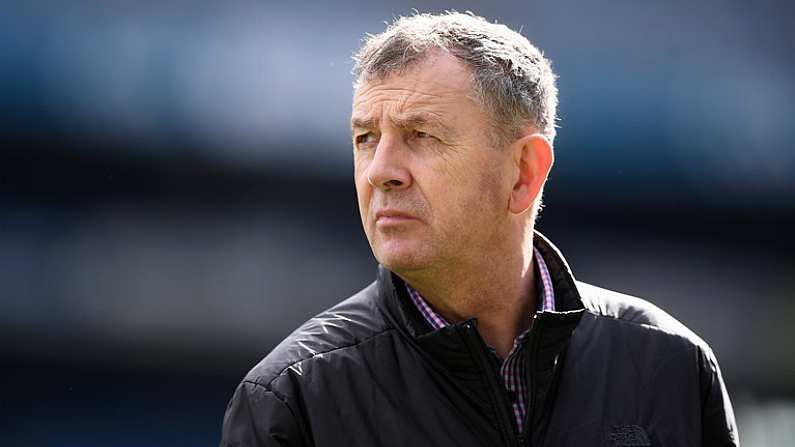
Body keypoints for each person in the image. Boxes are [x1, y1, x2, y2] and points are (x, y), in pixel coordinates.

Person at [220, 12, 738, 447]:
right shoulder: (292, 397)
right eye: (365, 138)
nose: (381, 170)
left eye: (420, 135)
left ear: (523, 171)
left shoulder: (671, 366)